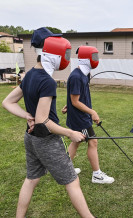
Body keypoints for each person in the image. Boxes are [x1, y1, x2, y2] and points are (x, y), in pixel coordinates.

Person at [2, 27, 95, 218]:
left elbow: (7, 102)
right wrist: (70, 133)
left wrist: (28, 116)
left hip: (31, 139)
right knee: (72, 181)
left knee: (31, 179)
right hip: (46, 141)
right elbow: (43, 120)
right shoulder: (47, 81)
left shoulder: (29, 75)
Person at [62, 46, 114, 184]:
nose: (96, 59)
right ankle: (97, 175)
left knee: (76, 141)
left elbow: (75, 98)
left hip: (79, 114)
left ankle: (64, 169)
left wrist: (69, 105)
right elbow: (75, 101)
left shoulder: (84, 74)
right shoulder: (76, 76)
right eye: (94, 56)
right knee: (93, 141)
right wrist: (92, 112)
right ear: (86, 59)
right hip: (81, 118)